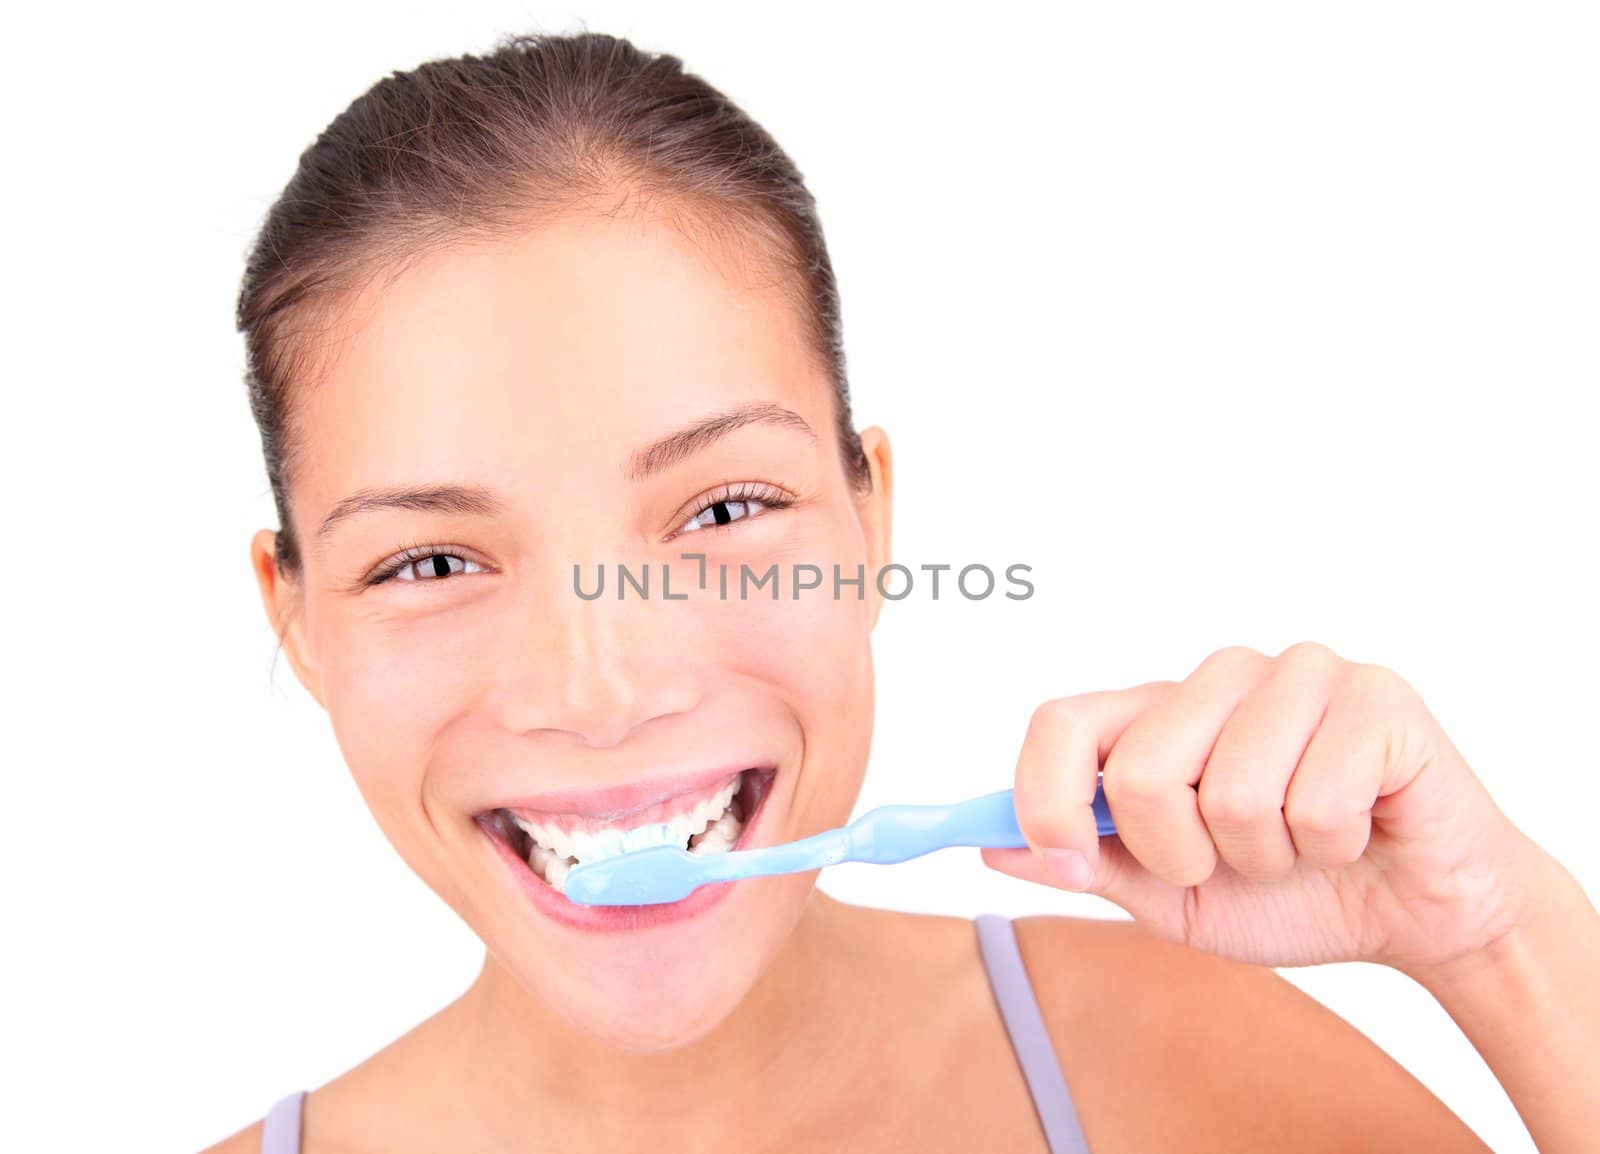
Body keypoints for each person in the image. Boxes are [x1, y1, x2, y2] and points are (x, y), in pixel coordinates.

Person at [204, 30, 1598, 1154]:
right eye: (431, 562)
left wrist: (1495, 932)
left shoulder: (1182, 1077)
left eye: (726, 508)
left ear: (870, 519)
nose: (603, 690)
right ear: (298, 615)